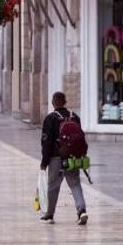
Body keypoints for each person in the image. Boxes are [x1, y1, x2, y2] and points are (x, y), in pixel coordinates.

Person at [40, 91, 88, 225]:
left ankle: (49, 214)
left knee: (53, 186)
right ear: (65, 102)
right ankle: (82, 210)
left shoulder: (50, 119)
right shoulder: (74, 117)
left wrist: (44, 162)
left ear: (53, 103)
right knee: (75, 184)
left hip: (56, 158)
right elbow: (81, 137)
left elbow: (46, 143)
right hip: (73, 157)